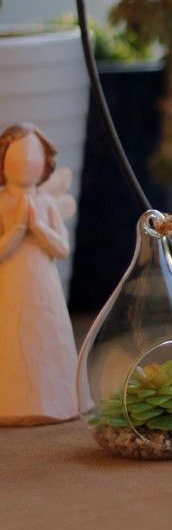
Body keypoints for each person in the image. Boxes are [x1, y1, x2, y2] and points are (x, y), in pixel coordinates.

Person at [0, 123, 78, 424]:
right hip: (9, 287)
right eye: (18, 153)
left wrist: (38, 227)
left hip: (44, 289)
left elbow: (62, 248)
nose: (26, 160)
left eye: (33, 154)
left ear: (45, 161)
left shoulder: (45, 203)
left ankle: (55, 400)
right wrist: (19, 228)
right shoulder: (2, 202)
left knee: (43, 335)